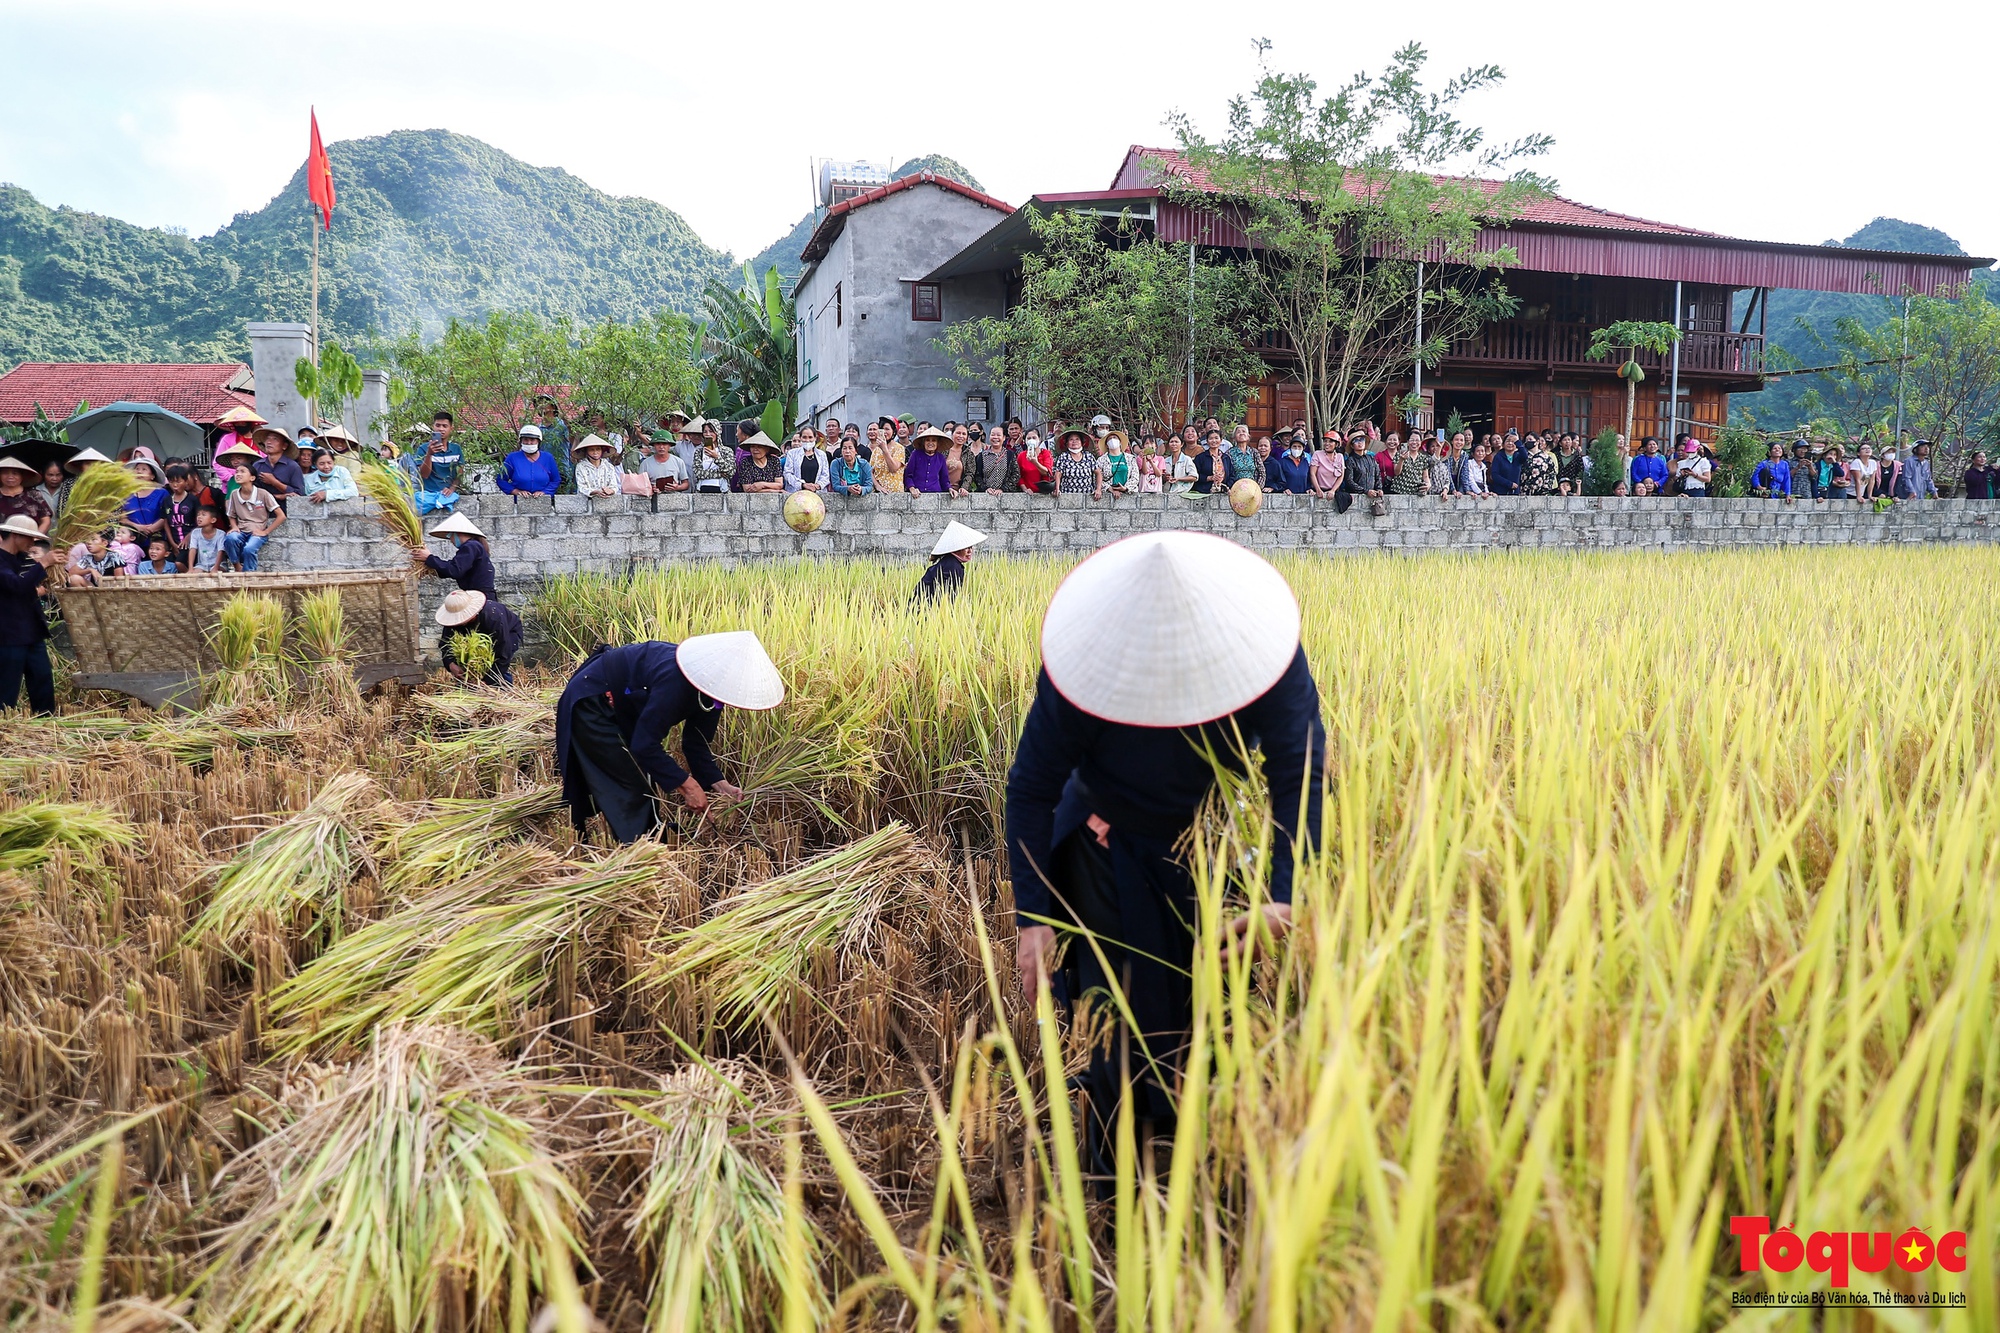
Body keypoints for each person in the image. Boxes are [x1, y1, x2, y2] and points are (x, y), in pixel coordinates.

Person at [1007, 532, 1324, 1187]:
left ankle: (1204, 1160)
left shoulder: (1266, 657)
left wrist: (1284, 891)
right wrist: (1031, 914)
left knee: (1212, 997)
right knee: (1112, 1008)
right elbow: (1033, 784)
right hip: (1105, 840)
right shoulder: (1086, 667)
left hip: (1211, 841)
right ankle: (1108, 1177)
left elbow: (1301, 768)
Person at [555, 633, 783, 842]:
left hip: (624, 706)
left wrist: (719, 784)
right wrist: (688, 786)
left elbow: (696, 744)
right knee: (632, 785)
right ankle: (642, 854)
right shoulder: (678, 681)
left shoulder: (713, 693)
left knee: (644, 778)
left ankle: (648, 837)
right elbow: (645, 745)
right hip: (592, 700)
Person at [0, 514, 64, 714]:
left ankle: (46, 719)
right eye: (28, 538)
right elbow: (17, 586)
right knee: (8, 683)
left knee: (42, 677)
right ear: (14, 535)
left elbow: (31, 584)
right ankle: (4, 722)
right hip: (9, 633)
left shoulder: (24, 559)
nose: (31, 543)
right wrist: (44, 562)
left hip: (32, 630)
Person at [435, 588, 524, 686]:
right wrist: (451, 664)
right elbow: (445, 644)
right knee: (465, 662)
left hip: (508, 632)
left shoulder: (493, 617)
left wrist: (486, 681)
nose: (458, 621)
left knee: (496, 667)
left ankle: (504, 689)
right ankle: (468, 685)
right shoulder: (452, 622)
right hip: (478, 638)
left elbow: (503, 654)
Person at [418, 512, 496, 597]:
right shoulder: (475, 546)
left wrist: (429, 558)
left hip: (480, 597)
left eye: (450, 536)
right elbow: (453, 570)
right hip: (480, 596)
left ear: (458, 533)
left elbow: (455, 569)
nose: (451, 540)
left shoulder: (471, 546)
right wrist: (430, 570)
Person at [223, 465, 284, 570]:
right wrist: (234, 527)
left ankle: (249, 575)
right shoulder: (234, 494)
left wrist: (266, 531)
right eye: (237, 472)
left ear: (252, 478)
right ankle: (236, 565)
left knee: (249, 549)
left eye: (242, 471)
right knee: (230, 539)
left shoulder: (263, 494)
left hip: (257, 531)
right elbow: (231, 515)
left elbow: (281, 516)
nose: (238, 474)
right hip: (241, 530)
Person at [914, 521, 987, 605]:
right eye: (966, 548)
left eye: (971, 547)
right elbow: (948, 595)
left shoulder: (949, 561)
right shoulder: (952, 566)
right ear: (956, 549)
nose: (970, 551)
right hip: (925, 606)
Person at [413, 413, 463, 514]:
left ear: (451, 428)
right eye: (438, 425)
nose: (441, 429)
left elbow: (460, 473)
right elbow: (424, 475)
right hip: (428, 494)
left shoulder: (456, 449)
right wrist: (429, 455)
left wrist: (452, 488)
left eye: (445, 426)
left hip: (448, 494)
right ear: (433, 427)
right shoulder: (423, 449)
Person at [496, 425, 562, 496]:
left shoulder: (548, 458)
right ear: (521, 441)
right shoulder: (512, 458)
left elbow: (555, 480)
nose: (529, 442)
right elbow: (501, 480)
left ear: (538, 441)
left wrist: (544, 492)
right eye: (526, 440)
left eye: (532, 440)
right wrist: (515, 491)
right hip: (519, 501)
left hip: (543, 500)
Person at [252, 428, 308, 509]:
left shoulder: (292, 467)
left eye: (275, 439)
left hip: (287, 511)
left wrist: (274, 482)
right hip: (262, 511)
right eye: (267, 438)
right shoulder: (258, 465)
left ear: (284, 446)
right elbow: (253, 492)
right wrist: (277, 496)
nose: (269, 442)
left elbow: (299, 494)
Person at [121, 456, 171, 543]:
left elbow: (167, 516)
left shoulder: (162, 493)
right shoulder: (127, 494)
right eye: (137, 469)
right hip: (132, 541)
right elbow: (122, 518)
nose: (139, 472)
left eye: (144, 469)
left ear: (152, 476)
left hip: (157, 541)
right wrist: (137, 527)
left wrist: (151, 529)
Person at [0, 458, 53, 534]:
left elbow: (46, 520)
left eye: (15, 473)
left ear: (22, 476)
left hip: (32, 539)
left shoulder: (33, 494)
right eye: (5, 473)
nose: (10, 476)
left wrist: (35, 537)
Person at [1053, 428, 1103, 499]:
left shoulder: (1088, 456)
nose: (1074, 441)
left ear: (1082, 443)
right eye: (1071, 439)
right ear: (1067, 444)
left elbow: (1098, 473)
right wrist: (1057, 489)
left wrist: (1098, 489)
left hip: (1087, 496)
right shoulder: (1064, 457)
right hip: (1068, 495)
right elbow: (1058, 474)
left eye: (1077, 439)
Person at [965, 429, 1019, 495]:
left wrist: (1003, 489)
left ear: (1004, 438)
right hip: (986, 495)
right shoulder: (981, 456)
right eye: (993, 434)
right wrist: (985, 488)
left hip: (1006, 496)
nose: (995, 437)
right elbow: (977, 476)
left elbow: (1016, 474)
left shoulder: (1010, 455)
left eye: (998, 435)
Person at [904, 428, 954, 494]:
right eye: (927, 440)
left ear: (937, 443)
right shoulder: (915, 454)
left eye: (934, 440)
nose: (930, 443)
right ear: (923, 442)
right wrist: (912, 488)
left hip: (935, 494)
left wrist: (949, 489)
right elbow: (908, 475)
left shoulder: (940, 458)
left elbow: (944, 479)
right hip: (917, 493)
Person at [572, 434, 623, 499]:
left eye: (598, 449)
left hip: (606, 502)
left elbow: (614, 486)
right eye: (591, 450)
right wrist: (595, 492)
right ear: (586, 451)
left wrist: (610, 491)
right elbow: (582, 487)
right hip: (585, 501)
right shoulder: (581, 467)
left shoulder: (609, 466)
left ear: (602, 450)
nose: (595, 452)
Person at [782, 429, 831, 494]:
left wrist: (817, 486)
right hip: (796, 494)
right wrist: (802, 485)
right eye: (804, 437)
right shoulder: (792, 453)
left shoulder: (821, 455)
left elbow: (825, 475)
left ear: (815, 438)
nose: (807, 440)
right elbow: (787, 473)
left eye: (810, 437)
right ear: (800, 438)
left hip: (817, 494)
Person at [185, 505, 227, 573]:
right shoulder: (195, 533)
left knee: (216, 573)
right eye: (198, 515)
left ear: (213, 520)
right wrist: (190, 568)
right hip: (202, 565)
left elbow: (221, 551)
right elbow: (192, 549)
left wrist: (215, 568)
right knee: (194, 573)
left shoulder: (221, 534)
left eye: (203, 515)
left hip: (219, 565)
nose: (199, 517)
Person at [691, 430, 735, 494]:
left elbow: (730, 472)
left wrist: (716, 457)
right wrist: (720, 474)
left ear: (717, 432)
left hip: (722, 489)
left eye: (711, 431)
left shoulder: (726, 451)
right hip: (702, 489)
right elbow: (698, 472)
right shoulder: (699, 452)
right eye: (705, 432)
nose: (708, 434)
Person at [1016, 430, 1054, 495]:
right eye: (1028, 438)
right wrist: (1025, 489)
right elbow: (1018, 476)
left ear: (1039, 439)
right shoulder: (1021, 456)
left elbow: (1047, 473)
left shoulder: (1046, 453)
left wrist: (1035, 463)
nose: (1031, 440)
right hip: (1028, 492)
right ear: (1025, 441)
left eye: (1034, 438)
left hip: (1044, 492)